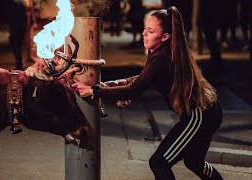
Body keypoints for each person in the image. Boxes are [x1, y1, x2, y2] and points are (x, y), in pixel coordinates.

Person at [72, 6, 223, 180]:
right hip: (205, 113)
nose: (144, 33)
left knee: (159, 162)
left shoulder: (162, 56)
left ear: (165, 37)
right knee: (193, 162)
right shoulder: (161, 53)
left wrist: (94, 90)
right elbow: (143, 77)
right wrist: (116, 84)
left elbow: (136, 88)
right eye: (145, 29)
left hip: (200, 115)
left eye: (150, 31)